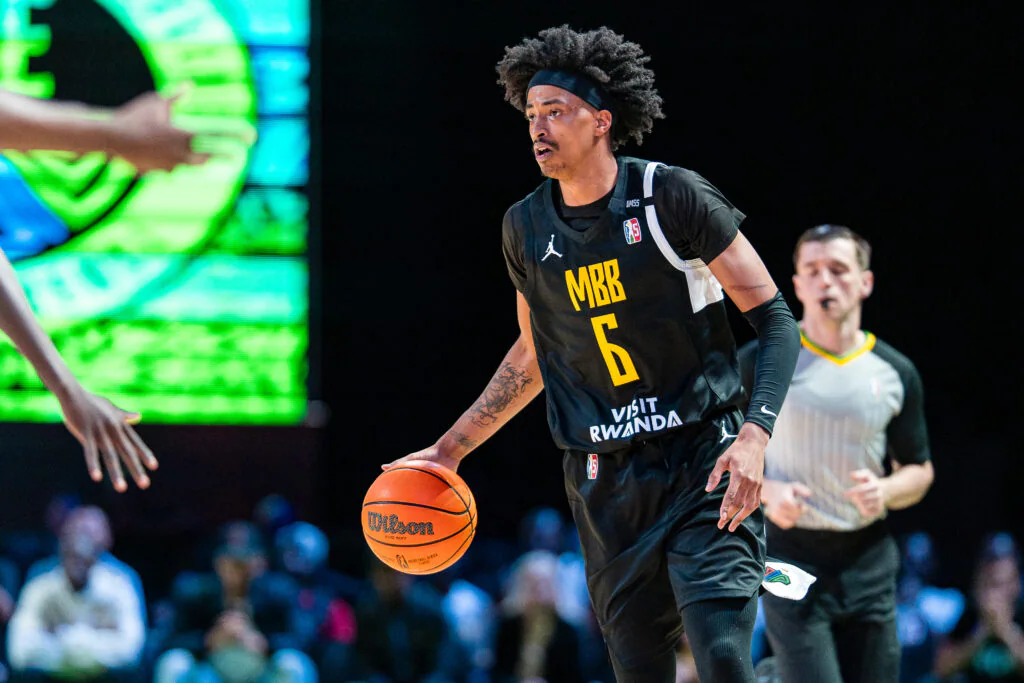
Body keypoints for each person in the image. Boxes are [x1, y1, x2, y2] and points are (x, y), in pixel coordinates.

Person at [387, 25, 801, 683]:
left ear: (602, 121)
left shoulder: (671, 197)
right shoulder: (525, 226)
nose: (538, 127)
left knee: (722, 655)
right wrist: (449, 449)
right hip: (605, 482)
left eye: (556, 111)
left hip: (704, 457)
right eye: (531, 114)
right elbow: (533, 354)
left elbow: (776, 319)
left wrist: (755, 435)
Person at [739, 224, 935, 683]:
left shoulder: (894, 372)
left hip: (868, 560)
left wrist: (886, 490)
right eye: (812, 270)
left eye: (838, 269)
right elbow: (713, 457)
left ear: (865, 282)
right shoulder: (761, 361)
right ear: (796, 285)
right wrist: (768, 491)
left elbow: (919, 470)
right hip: (786, 555)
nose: (825, 281)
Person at [5, 511, 146, 682]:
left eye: (83, 559)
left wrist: (77, 643)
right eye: (71, 557)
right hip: (51, 676)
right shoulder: (40, 587)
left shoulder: (119, 585)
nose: (77, 564)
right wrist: (72, 650)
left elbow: (131, 650)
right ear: (61, 555)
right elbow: (19, 651)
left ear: (95, 559)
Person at [935, 533, 1024, 683]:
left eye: (1000, 584)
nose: (994, 593)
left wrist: (1006, 632)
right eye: (989, 583)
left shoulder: (1021, 615)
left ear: (1016, 584)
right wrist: (980, 634)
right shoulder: (968, 616)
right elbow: (941, 670)